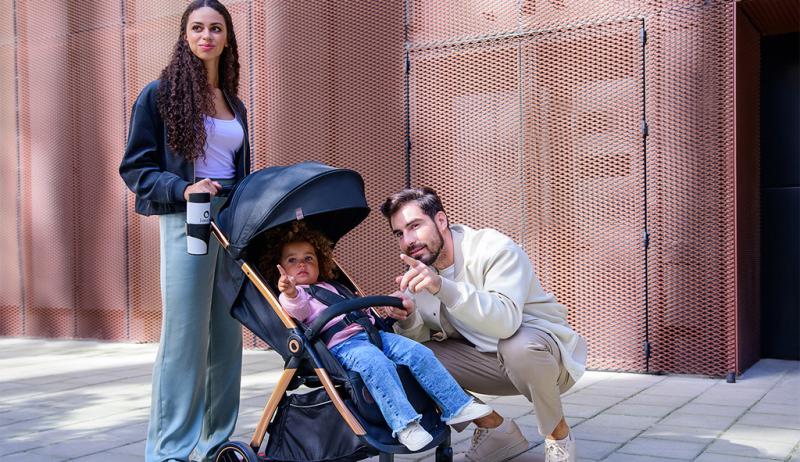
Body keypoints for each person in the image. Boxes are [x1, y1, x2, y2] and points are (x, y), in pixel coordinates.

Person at [118, 1, 250, 460]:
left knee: (228, 336)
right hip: (189, 215)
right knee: (185, 338)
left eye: (216, 28)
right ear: (185, 35)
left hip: (232, 219)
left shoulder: (235, 104)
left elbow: (237, 167)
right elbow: (135, 168)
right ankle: (170, 449)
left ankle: (216, 444)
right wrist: (184, 188)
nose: (206, 36)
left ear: (227, 39)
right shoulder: (158, 95)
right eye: (197, 28)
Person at [380, 188, 587, 462]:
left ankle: (558, 436)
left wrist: (442, 287)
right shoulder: (418, 272)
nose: (408, 241)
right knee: (407, 359)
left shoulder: (493, 248)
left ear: (440, 220)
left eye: (415, 226)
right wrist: (407, 316)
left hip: (545, 360)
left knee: (518, 346)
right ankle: (496, 431)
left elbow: (506, 323)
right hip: (483, 363)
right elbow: (420, 340)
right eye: (399, 233)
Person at [260, 222, 493, 451]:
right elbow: (298, 310)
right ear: (281, 268)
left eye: (309, 258)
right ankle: (404, 425)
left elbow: (361, 312)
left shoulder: (334, 286)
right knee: (377, 364)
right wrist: (289, 291)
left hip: (373, 335)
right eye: (292, 260)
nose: (302, 264)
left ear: (319, 262)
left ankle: (457, 405)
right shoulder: (296, 295)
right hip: (345, 346)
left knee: (418, 351)